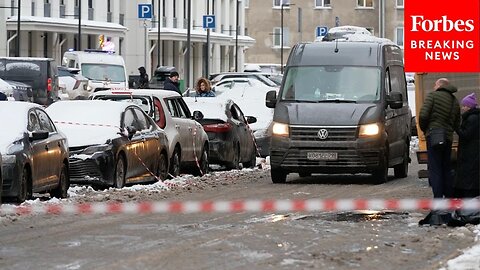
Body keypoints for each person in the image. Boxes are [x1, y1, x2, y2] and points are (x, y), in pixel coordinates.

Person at [419, 78, 461, 198]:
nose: (433, 87)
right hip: (447, 138)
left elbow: (423, 115)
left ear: (439, 86)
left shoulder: (432, 96)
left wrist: (425, 129)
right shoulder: (454, 100)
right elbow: (457, 121)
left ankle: (438, 198)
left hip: (434, 136)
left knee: (435, 168)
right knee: (446, 167)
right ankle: (448, 196)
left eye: (435, 85)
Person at [453, 93, 480, 198]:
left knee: (469, 176)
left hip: (471, 152)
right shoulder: (474, 117)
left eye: (464, 106)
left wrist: (457, 128)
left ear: (469, 106)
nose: (463, 108)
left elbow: (466, 134)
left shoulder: (472, 118)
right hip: (473, 151)